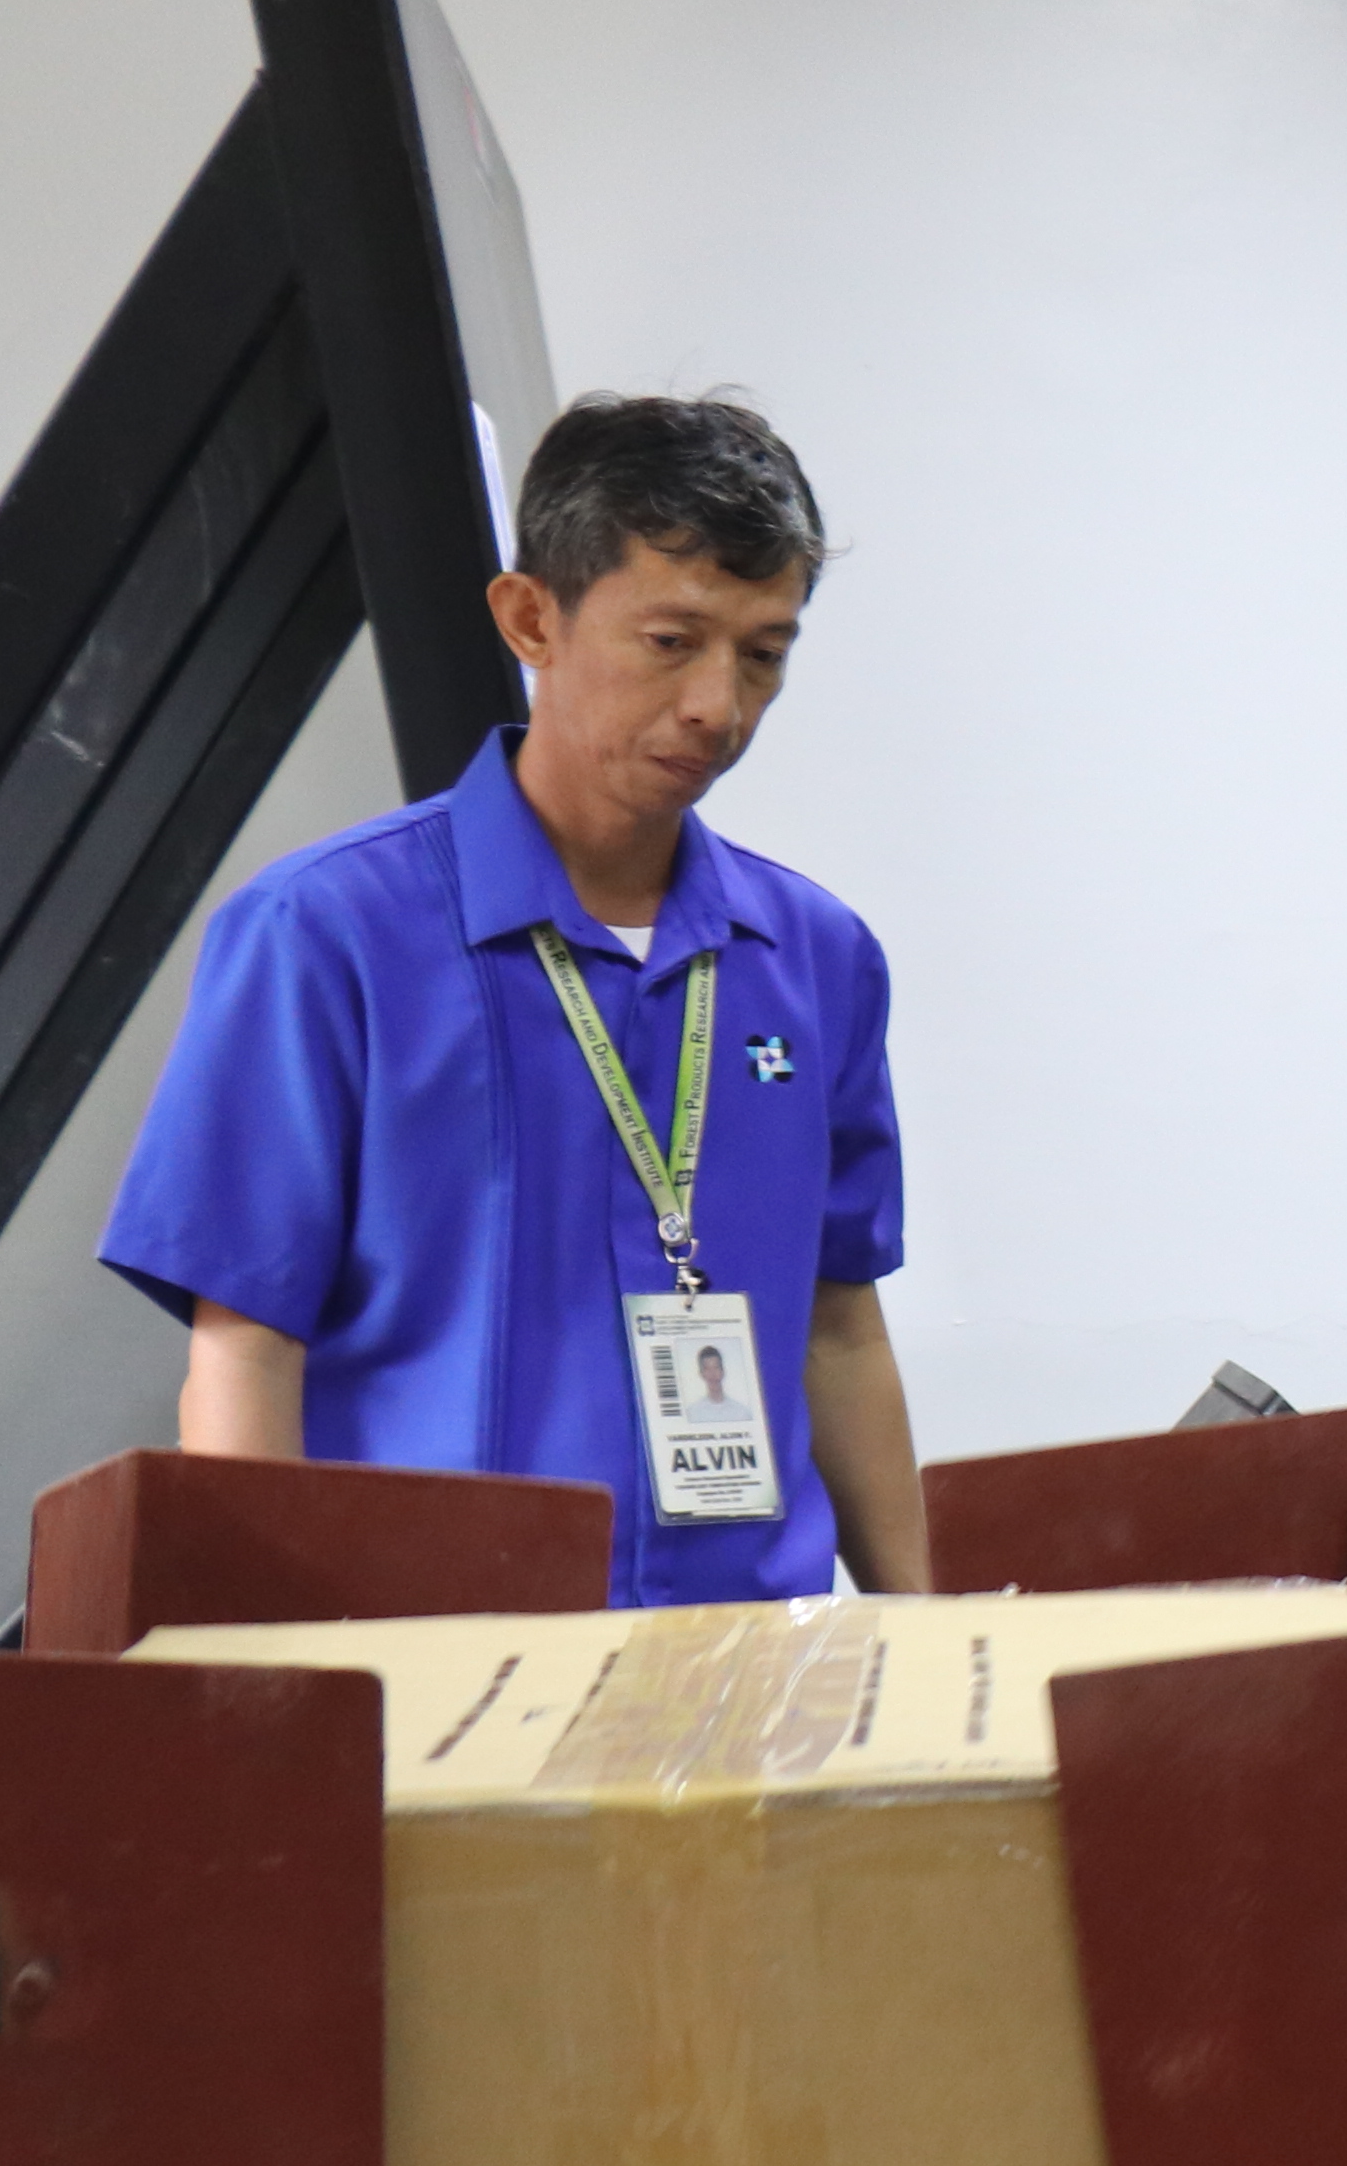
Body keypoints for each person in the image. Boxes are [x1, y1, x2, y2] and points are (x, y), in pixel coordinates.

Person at [102, 394, 930, 1603]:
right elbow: (244, 1352)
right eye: (672, 641)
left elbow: (839, 1329)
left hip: (753, 1659)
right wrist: (272, 1688)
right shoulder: (322, 937)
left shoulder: (817, 956)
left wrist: (931, 1629)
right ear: (531, 617)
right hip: (437, 1669)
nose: (719, 705)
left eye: (763, 654)